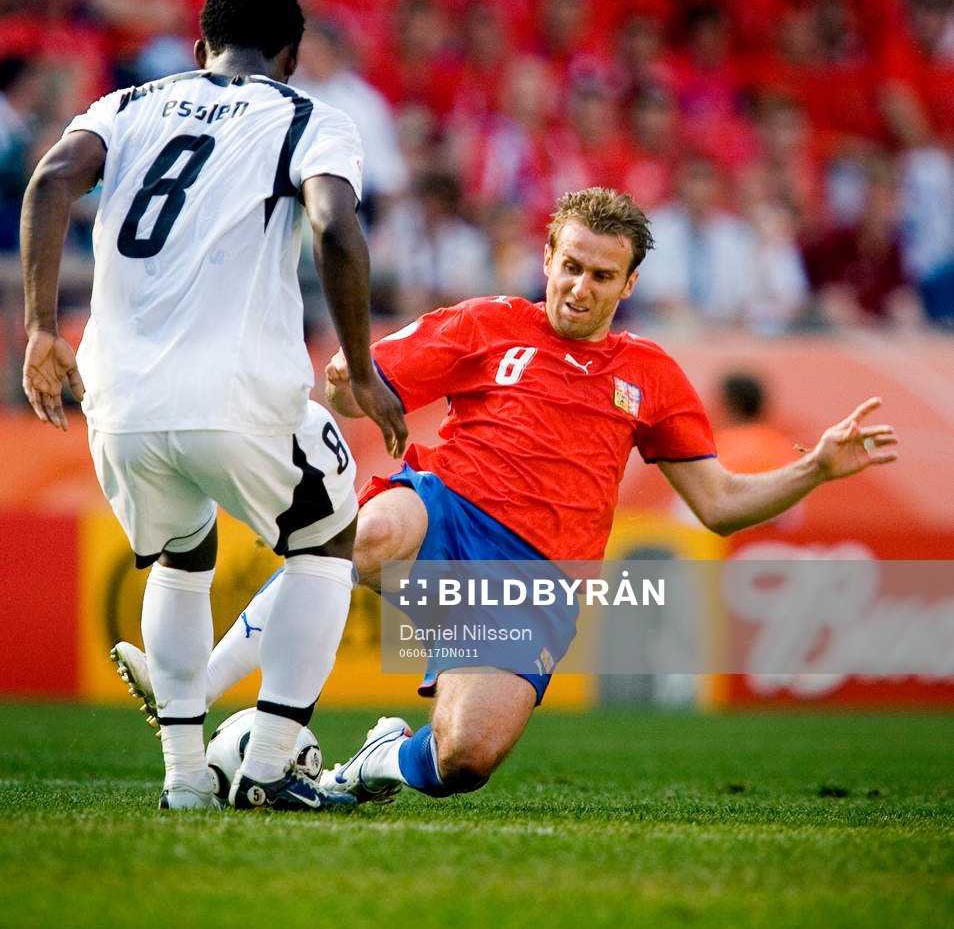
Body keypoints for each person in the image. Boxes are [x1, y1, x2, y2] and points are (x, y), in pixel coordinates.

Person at [113, 187, 897, 805]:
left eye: (601, 276)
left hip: (534, 583)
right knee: (364, 534)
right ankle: (196, 686)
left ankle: (376, 761)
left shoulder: (651, 374)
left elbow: (719, 505)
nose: (580, 287)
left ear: (628, 283)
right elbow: (360, 391)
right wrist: (348, 384)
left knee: (465, 758)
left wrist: (815, 469)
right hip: (445, 510)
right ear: (547, 256)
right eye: (570, 265)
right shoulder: (487, 325)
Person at [20, 0, 406, 811]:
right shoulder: (307, 117)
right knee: (327, 543)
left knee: (182, 559)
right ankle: (268, 765)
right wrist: (362, 365)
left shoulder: (125, 106)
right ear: (291, 59)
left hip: (117, 396)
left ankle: (186, 779)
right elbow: (335, 225)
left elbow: (51, 179)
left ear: (201, 49)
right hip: (235, 390)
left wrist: (42, 329)